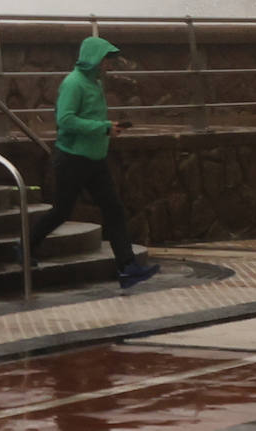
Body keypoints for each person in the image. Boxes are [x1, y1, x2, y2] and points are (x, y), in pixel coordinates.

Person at [23, 35, 159, 289]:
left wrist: (108, 129)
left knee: (114, 210)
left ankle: (127, 267)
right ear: (93, 59)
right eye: (105, 59)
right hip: (72, 158)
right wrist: (104, 127)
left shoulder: (94, 83)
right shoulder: (74, 83)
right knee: (62, 211)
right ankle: (25, 246)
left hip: (94, 159)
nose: (107, 64)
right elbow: (65, 120)